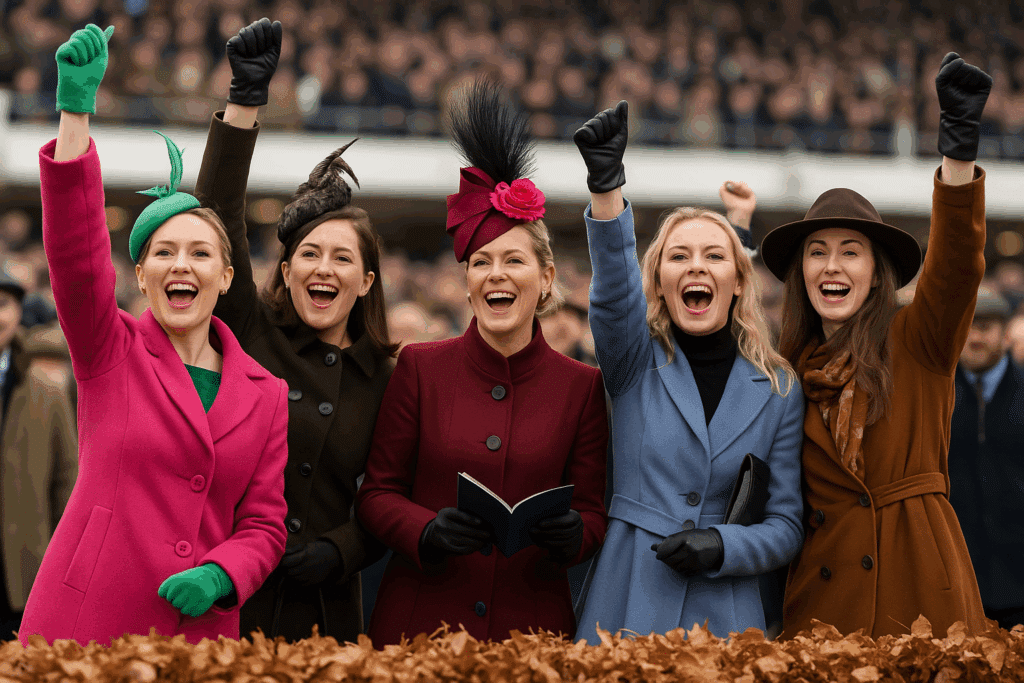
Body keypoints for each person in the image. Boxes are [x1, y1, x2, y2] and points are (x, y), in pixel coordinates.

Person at [19, 24, 288, 646]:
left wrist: (223, 574)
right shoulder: (108, 350)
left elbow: (265, 526)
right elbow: (78, 255)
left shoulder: (266, 394)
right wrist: (75, 112)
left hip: (197, 636)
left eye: (199, 253)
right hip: (86, 623)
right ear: (140, 275)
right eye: (163, 252)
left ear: (226, 274)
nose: (180, 265)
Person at [356, 82, 608, 645]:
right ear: (466, 281)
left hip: (531, 634)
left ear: (545, 279)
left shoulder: (583, 386)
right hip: (419, 629)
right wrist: (425, 529)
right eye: (480, 262)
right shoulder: (420, 367)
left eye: (513, 260)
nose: (495, 274)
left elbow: (593, 510)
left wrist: (577, 534)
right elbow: (376, 495)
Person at [760, 53, 992, 638]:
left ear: (876, 271)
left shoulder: (918, 339)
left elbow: (956, 267)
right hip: (824, 601)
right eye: (817, 251)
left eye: (850, 251)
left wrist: (957, 153)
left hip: (920, 590)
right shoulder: (786, 372)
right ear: (800, 275)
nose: (831, 265)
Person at [570, 100, 804, 642]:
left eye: (714, 257)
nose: (696, 265)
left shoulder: (780, 388)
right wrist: (607, 191)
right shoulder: (633, 359)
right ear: (657, 283)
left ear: (740, 281)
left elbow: (786, 525)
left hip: (725, 611)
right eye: (678, 256)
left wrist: (725, 544)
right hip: (628, 594)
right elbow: (613, 294)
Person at [193, 18, 396, 643]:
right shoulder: (251, 328)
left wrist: (343, 549)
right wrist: (244, 105)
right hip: (229, 597)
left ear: (366, 282)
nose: (323, 268)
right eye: (309, 254)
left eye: (342, 258)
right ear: (286, 269)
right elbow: (218, 215)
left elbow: (396, 492)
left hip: (326, 617)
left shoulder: (389, 375)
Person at [0, 272, 77, 642]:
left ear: (17, 313)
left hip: (25, 572)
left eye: (3, 304)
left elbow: (67, 480)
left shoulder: (46, 392)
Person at [948, 285, 1024, 630]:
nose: (974, 338)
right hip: (959, 575)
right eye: (966, 327)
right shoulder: (939, 395)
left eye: (985, 327)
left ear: (1006, 334)